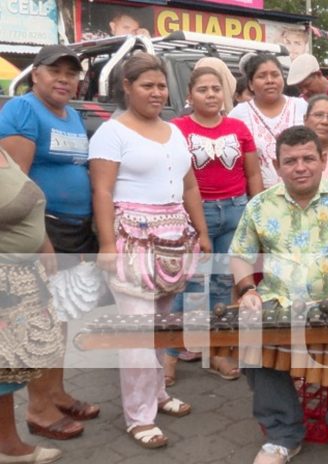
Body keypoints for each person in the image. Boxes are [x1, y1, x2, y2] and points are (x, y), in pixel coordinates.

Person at [230, 126, 328, 464]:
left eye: (307, 158)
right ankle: (282, 434)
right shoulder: (260, 206)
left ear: (322, 159)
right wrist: (247, 290)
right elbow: (240, 255)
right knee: (252, 332)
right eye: (290, 161)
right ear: (276, 164)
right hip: (279, 301)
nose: (300, 167)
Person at [89, 53, 211, 449]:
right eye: (148, 86)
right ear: (127, 87)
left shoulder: (174, 131)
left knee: (160, 326)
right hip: (133, 239)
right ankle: (139, 416)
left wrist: (202, 233)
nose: (157, 93)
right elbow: (103, 191)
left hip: (175, 238)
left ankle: (158, 395)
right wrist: (108, 244)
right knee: (138, 333)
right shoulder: (112, 133)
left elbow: (189, 186)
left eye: (161, 86)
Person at [0, 44, 99, 441]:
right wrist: (41, 242)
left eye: (71, 73)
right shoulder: (22, 111)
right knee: (39, 318)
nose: (64, 79)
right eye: (55, 70)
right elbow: (13, 188)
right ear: (35, 74)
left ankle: (55, 392)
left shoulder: (71, 115)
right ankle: (38, 409)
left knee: (60, 315)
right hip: (45, 232)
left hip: (73, 230)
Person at [165, 66, 262, 384]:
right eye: (203, 89)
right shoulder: (177, 128)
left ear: (225, 93)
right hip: (196, 214)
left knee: (222, 282)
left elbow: (252, 174)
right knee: (191, 284)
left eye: (216, 89)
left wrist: (257, 211)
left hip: (235, 210)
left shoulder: (238, 127)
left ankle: (216, 352)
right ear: (189, 95)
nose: (210, 94)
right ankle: (171, 354)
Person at [0, 146, 64, 464]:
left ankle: (9, 443)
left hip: (21, 277)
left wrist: (43, 244)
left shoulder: (4, 152)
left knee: (12, 364)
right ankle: (8, 448)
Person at [230, 54, 328, 189]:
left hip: (307, 192)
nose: (270, 80)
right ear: (251, 84)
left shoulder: (303, 107)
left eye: (275, 75)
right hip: (261, 196)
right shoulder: (238, 115)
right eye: (262, 76)